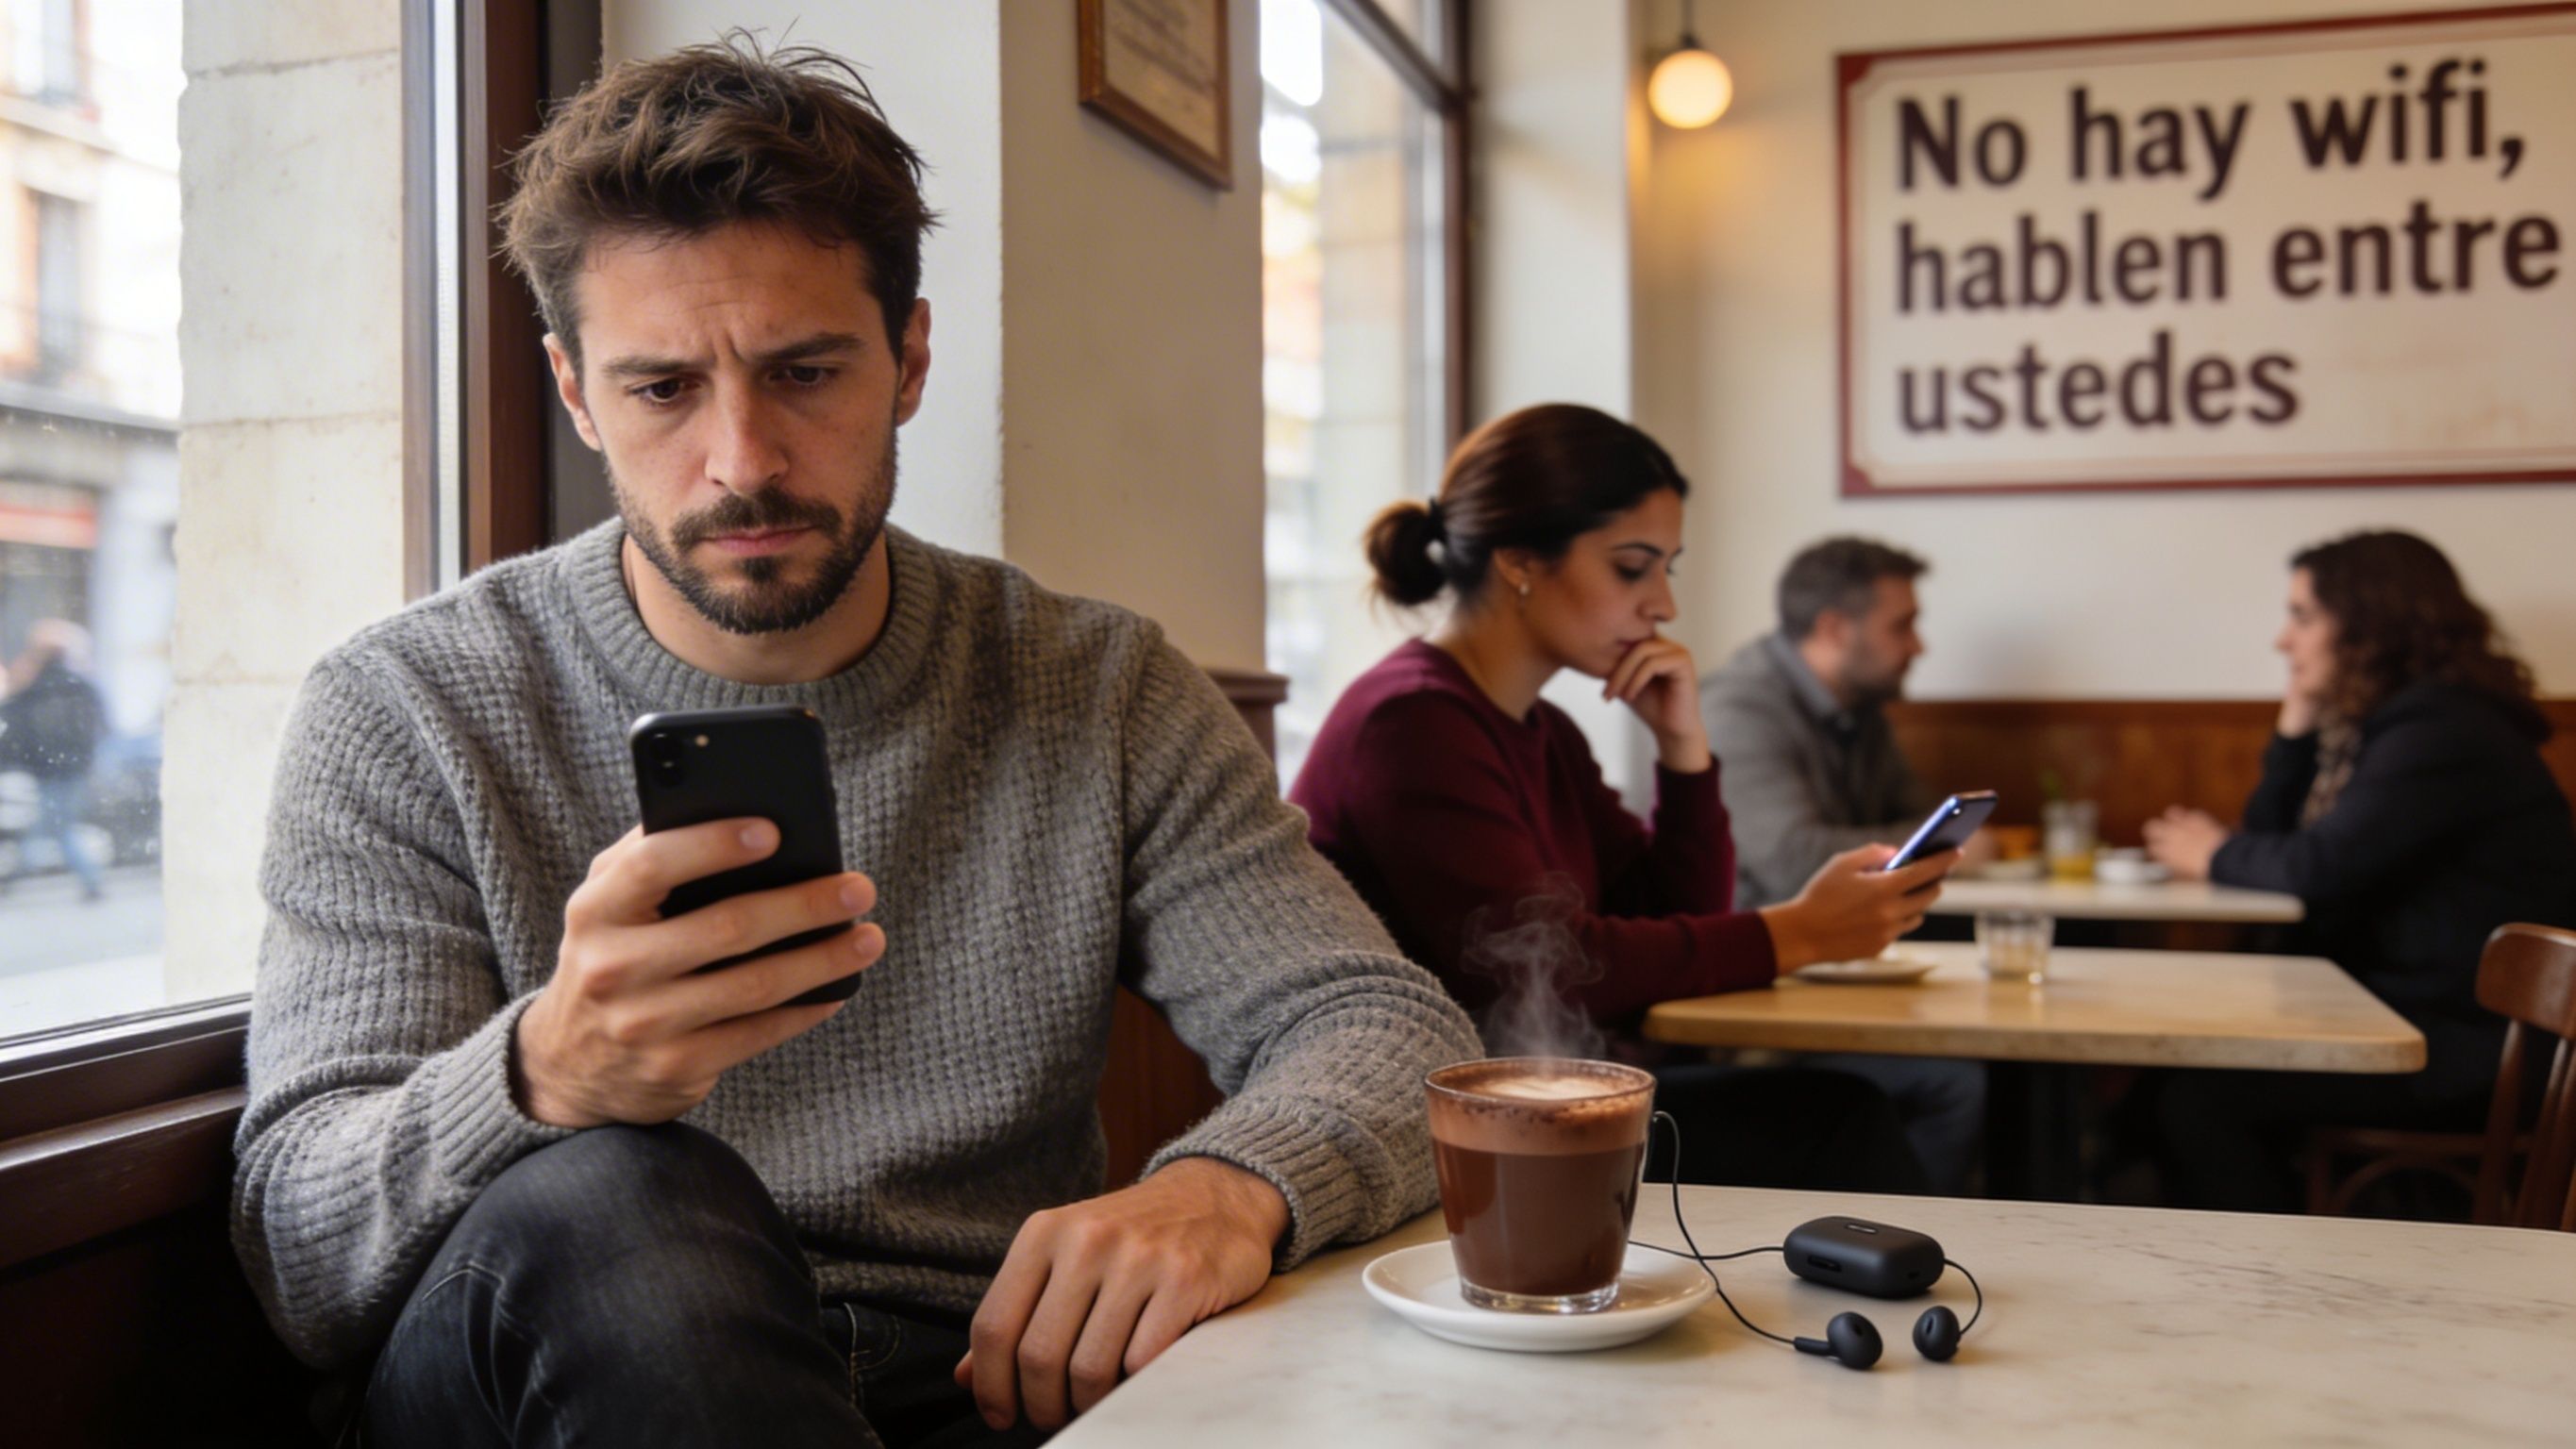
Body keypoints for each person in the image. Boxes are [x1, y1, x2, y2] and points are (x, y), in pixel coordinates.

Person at [230, 40, 1480, 1449]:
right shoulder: (407, 705)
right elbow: (302, 1251)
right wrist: (544, 1077)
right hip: (557, 1388)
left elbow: (1383, 1027)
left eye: (805, 370)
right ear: (575, 394)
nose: (743, 459)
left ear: (911, 360)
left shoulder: (1094, 685)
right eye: (660, 391)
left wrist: (1225, 1185)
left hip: (984, 1388)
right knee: (619, 1192)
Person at [1291, 404, 1953, 1194]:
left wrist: (1683, 752)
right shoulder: (1411, 720)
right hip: (1443, 1138)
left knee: (1847, 1110)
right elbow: (1552, 969)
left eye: (1666, 568)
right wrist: (1798, 933)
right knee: (1840, 1119)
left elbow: (1675, 909)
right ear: (1518, 560)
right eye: (1634, 567)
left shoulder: (1545, 731)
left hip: (1545, 1110)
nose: (1663, 605)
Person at [2143, 530, 2576, 1212]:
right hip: (2415, 1017)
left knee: (2196, 1101)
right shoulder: (2401, 723)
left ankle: (2276, 1290)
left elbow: (2317, 868)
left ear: (2371, 625)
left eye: (2303, 616)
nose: (2284, 641)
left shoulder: (2442, 731)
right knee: (2164, 1082)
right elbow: (2278, 843)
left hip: (2474, 1046)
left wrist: (2214, 854)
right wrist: (2296, 724)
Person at [1698, 539, 1988, 1192]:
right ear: (1834, 628)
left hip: (1831, 977)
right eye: (1903, 624)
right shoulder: (1738, 708)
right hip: (1753, 1006)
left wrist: (1933, 839)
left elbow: (1912, 817)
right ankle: (1912, 1251)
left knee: (1990, 1052)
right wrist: (1950, 846)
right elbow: (1789, 861)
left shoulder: (1861, 709)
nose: (1919, 645)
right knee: (1963, 1079)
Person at [0, 619, 109, 901]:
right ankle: (16, 874)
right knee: (52, 825)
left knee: (56, 827)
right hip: (72, 768)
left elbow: (15, 729)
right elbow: (99, 726)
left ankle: (87, 879)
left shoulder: (34, 688)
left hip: (48, 769)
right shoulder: (81, 685)